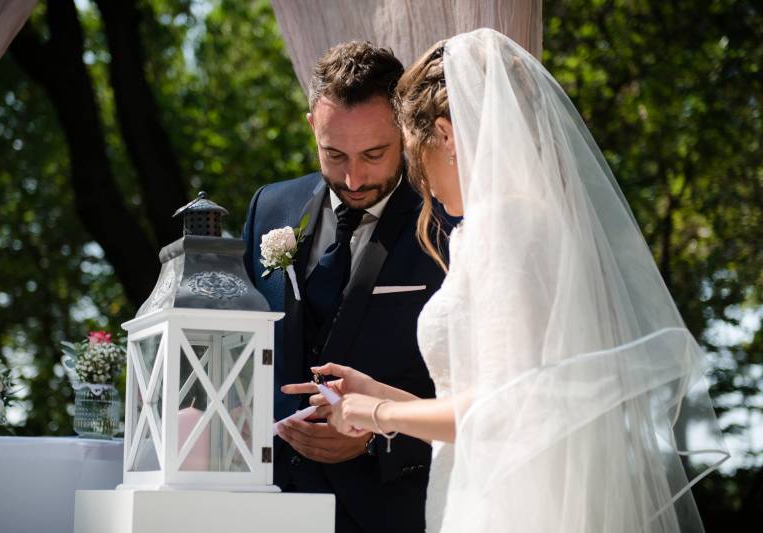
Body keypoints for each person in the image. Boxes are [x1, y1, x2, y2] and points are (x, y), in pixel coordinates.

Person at [298, 29, 729, 532]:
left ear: (448, 136)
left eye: (413, 149)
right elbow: (503, 411)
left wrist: (373, 413)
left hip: (506, 508)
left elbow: (502, 414)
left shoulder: (503, 228)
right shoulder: (511, 225)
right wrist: (386, 397)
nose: (419, 177)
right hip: (479, 484)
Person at [242, 41, 452, 533]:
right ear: (312, 125)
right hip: (268, 504)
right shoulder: (269, 208)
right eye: (333, 154)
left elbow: (473, 389)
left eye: (374, 154)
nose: (353, 177)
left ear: (404, 129)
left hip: (392, 508)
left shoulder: (445, 219)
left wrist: (379, 435)